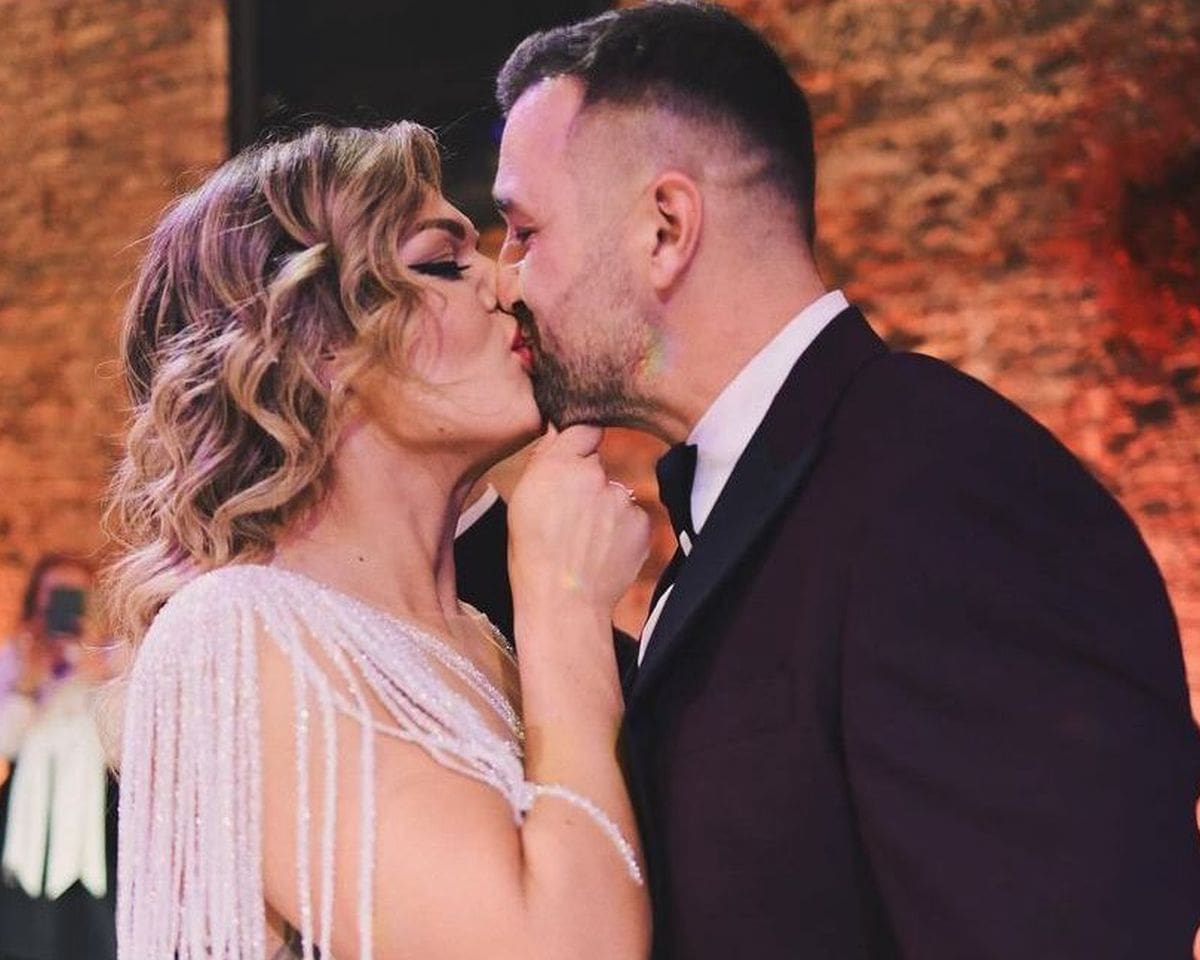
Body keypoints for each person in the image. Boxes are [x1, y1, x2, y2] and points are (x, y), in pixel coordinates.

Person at [492, 3, 1200, 957]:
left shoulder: (946, 493)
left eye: (524, 231)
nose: (506, 279)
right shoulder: (781, 495)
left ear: (665, 227)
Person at [106, 122, 651, 959]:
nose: (504, 284)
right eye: (443, 263)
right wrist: (565, 605)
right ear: (316, 350)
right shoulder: (239, 633)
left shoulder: (482, 641)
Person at [0, 554, 119, 960]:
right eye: (55, 594)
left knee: (96, 935)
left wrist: (98, 674)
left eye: (76, 594)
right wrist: (28, 685)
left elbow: (122, 748)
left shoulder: (113, 657)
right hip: (27, 814)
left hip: (99, 816)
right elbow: (5, 744)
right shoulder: (15, 657)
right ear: (37, 599)